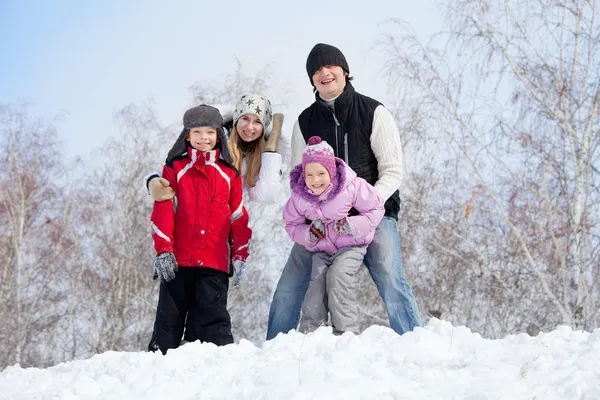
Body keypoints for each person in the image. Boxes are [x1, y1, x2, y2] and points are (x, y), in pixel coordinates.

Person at [267, 43, 423, 340]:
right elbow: (299, 180)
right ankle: (276, 350)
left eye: (330, 67)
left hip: (372, 216)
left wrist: (368, 207)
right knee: (290, 282)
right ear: (312, 80)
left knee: (390, 276)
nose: (324, 73)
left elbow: (393, 170)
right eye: (316, 70)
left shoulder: (374, 112)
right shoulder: (305, 122)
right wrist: (312, 221)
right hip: (321, 222)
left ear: (345, 71)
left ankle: (415, 343)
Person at [146, 94, 290, 288]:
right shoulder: (210, 140)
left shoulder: (263, 159)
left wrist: (272, 148)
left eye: (257, 122)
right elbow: (173, 167)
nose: (250, 127)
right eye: (245, 119)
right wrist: (151, 181)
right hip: (189, 236)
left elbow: (266, 195)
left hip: (229, 238)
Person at [148, 105, 251, 355]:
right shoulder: (174, 169)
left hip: (214, 264)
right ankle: (157, 372)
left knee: (211, 322)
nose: (204, 138)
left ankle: (216, 375)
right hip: (178, 262)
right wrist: (164, 251)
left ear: (219, 135)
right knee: (168, 321)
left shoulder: (229, 174)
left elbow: (238, 218)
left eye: (209, 132)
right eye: (197, 132)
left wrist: (239, 256)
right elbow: (163, 211)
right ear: (187, 135)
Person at [283, 136, 384, 334]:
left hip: (350, 246)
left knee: (338, 277)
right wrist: (309, 234)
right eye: (309, 175)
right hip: (322, 250)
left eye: (321, 173)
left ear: (331, 171)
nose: (315, 180)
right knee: (316, 286)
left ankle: (346, 332)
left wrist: (351, 225)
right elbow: (291, 224)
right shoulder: (299, 196)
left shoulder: (351, 186)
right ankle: (311, 332)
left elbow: (375, 209)